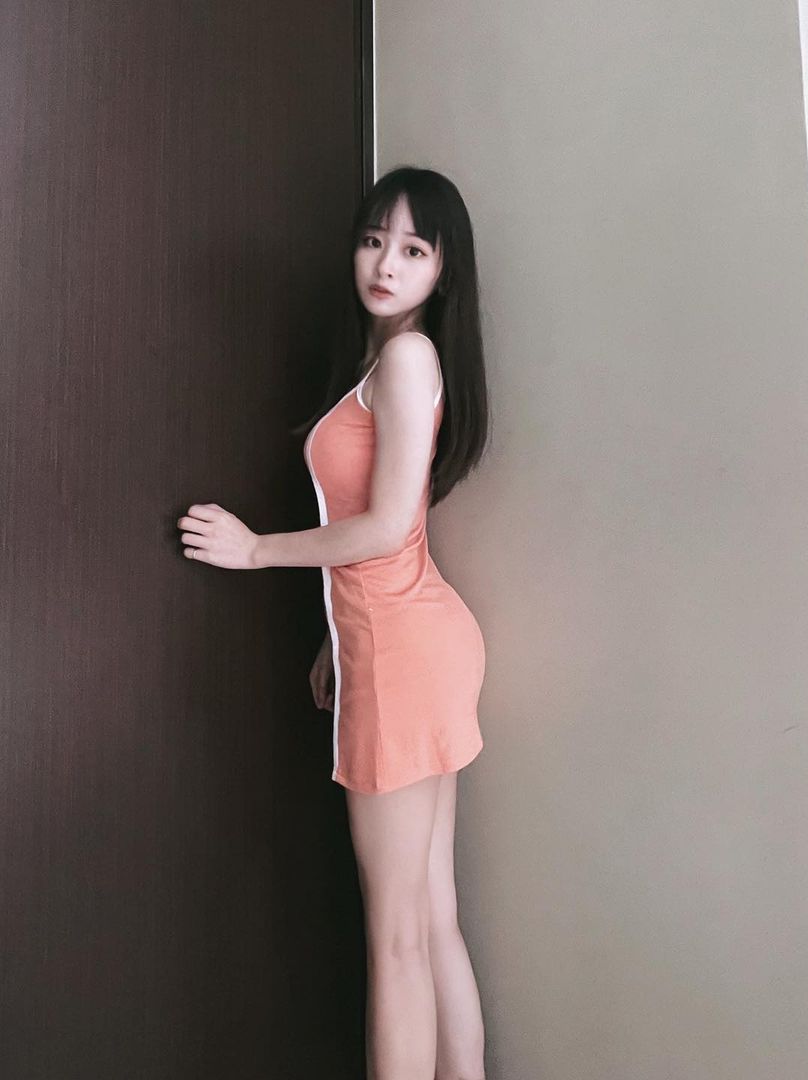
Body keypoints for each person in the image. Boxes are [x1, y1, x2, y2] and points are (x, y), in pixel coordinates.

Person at [175, 165, 491, 1080]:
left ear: (444, 272)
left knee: (397, 939)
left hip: (403, 651)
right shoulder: (393, 361)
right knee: (430, 919)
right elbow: (394, 521)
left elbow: (387, 526)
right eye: (373, 240)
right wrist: (333, 636)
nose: (386, 264)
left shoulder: (407, 359)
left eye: (414, 249)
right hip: (406, 639)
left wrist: (254, 550)